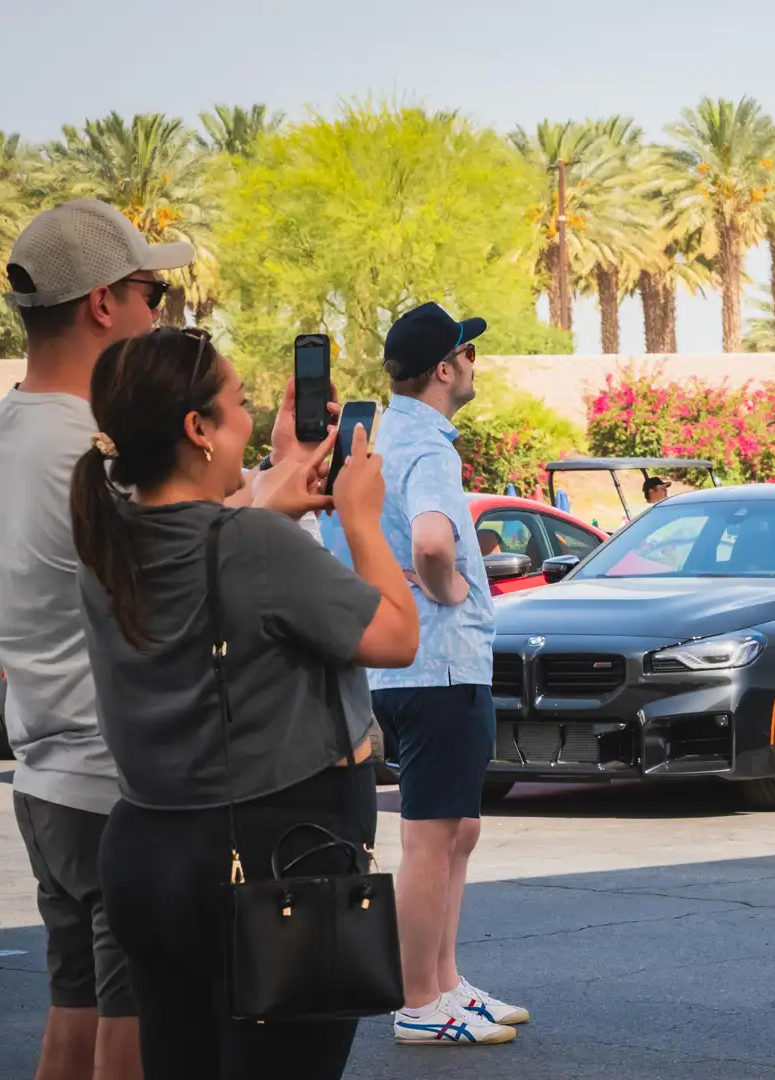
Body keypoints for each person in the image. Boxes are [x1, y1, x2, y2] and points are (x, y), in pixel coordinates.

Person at [68, 328, 419, 1078]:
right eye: (238, 405)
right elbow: (395, 636)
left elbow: (211, 543)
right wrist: (359, 517)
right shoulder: (253, 545)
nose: (251, 421)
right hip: (274, 863)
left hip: (148, 856)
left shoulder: (107, 541)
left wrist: (279, 476)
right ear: (196, 429)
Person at [0, 198, 192, 1080]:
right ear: (104, 303)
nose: (158, 313)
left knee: (74, 1009)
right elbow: (180, 569)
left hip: (44, 775)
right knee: (133, 1031)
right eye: (152, 291)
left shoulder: (3, 424)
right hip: (114, 782)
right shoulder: (93, 449)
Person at [319, 301, 526, 1046]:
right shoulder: (432, 447)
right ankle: (419, 1001)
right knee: (433, 836)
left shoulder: (370, 441)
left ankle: (444, 982)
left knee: (456, 827)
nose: (474, 362)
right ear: (445, 370)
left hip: (402, 665)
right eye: (467, 353)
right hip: (440, 664)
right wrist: (448, 588)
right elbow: (436, 540)